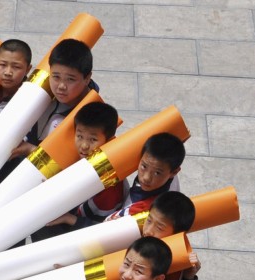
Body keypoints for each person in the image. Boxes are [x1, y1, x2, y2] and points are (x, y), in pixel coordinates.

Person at [36, 101, 124, 235]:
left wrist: (69, 219)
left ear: (109, 140)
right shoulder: (76, 156)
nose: (83, 146)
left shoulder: (110, 183)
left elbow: (102, 230)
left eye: (92, 140)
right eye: (79, 136)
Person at [0, 39, 36, 201]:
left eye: (16, 67)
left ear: (28, 69)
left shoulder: (31, 99)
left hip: (9, 168)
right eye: (3, 65)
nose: (8, 72)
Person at [33, 38, 98, 140]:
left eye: (70, 79)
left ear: (87, 78)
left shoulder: (95, 120)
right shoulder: (38, 91)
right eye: (56, 77)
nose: (61, 86)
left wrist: (30, 149)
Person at [121, 132, 185, 211]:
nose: (146, 178)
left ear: (174, 172)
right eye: (144, 166)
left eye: (157, 173)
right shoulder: (167, 172)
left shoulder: (148, 210)